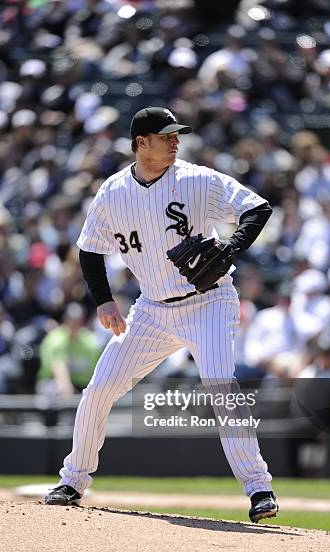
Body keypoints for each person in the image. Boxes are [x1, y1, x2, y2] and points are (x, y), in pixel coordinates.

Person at [44, 106, 278, 523]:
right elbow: (89, 248)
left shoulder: (198, 179)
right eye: (166, 135)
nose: (175, 141)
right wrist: (103, 300)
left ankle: (259, 487)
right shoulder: (113, 192)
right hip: (151, 310)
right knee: (99, 389)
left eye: (177, 135)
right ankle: (73, 479)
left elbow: (257, 209)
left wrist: (229, 250)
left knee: (221, 386)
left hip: (208, 301)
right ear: (141, 143)